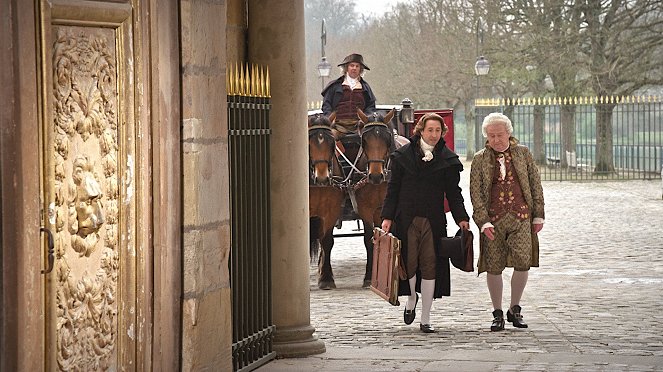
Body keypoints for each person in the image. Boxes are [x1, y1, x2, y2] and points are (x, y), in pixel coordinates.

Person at [381, 113, 470, 333]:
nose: (433, 135)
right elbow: (392, 190)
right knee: (409, 264)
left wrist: (462, 218)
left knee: (431, 265)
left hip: (434, 220)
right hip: (406, 218)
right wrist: (387, 217)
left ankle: (426, 317)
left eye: (438, 131)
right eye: (430, 130)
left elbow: (453, 192)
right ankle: (411, 297)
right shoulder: (402, 156)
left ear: (443, 133)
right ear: (421, 130)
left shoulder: (448, 160)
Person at [469, 112, 545, 332]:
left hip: (521, 217)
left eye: (499, 135)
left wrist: (538, 215)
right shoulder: (480, 159)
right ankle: (497, 313)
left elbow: (535, 185)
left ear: (508, 133)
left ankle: (515, 308)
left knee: (523, 261)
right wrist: (483, 222)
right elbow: (476, 194)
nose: (496, 140)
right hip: (493, 220)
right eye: (491, 136)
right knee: (493, 265)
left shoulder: (523, 154)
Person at [321, 53, 377, 139]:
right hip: (337, 125)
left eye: (357, 66)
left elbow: (371, 106)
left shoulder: (365, 87)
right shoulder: (334, 86)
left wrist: (365, 118)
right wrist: (330, 118)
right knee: (328, 139)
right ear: (346, 68)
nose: (354, 68)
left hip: (359, 126)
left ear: (360, 69)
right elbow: (326, 104)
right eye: (352, 65)